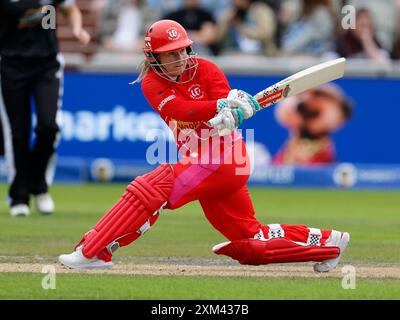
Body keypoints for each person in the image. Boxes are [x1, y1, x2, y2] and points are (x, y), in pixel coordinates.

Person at [59, 20, 349, 272]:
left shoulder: (207, 69)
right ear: (154, 57)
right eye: (172, 53)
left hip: (224, 158)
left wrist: (233, 112)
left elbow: (225, 105)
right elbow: (182, 111)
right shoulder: (151, 83)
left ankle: (94, 251)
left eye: (184, 49)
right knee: (250, 238)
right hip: (206, 163)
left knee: (151, 188)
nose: (182, 57)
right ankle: (327, 242)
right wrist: (219, 106)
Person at [0, 1, 91, 217]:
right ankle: (19, 197)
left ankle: (40, 185)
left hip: (47, 66)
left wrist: (77, 29)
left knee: (49, 126)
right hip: (10, 66)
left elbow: (70, 9)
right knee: (18, 134)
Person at [272, 83, 352, 165]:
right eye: (302, 94)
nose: (308, 98)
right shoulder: (283, 157)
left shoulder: (326, 160)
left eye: (318, 95)